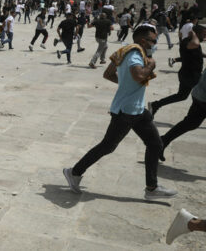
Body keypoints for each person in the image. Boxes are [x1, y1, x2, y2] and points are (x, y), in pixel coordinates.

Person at [63, 25, 177, 199]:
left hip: (137, 109)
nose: (156, 43)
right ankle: (74, 172)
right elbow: (139, 75)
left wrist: (125, 85)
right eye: (153, 40)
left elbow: (108, 74)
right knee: (107, 146)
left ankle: (152, 188)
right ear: (143, 40)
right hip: (127, 112)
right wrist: (151, 66)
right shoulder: (135, 54)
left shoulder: (126, 51)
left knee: (155, 144)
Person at [151, 25, 205, 116]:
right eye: (204, 34)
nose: (205, 36)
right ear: (196, 33)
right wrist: (194, 34)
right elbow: (195, 44)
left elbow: (198, 52)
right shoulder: (187, 42)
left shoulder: (192, 42)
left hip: (190, 74)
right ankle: (193, 118)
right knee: (201, 94)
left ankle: (156, 104)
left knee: (181, 96)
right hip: (190, 75)